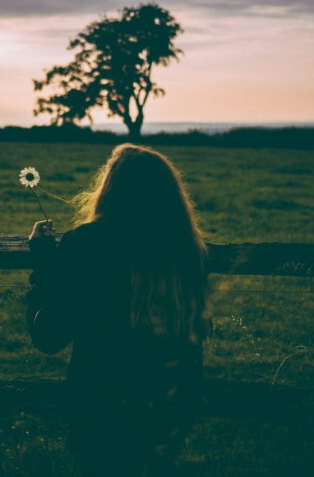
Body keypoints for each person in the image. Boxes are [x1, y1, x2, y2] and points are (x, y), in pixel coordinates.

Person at [26, 143, 211, 476]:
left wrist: (43, 265)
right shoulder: (186, 249)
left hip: (100, 402)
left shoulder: (89, 243)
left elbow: (49, 336)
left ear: (110, 189)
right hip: (169, 402)